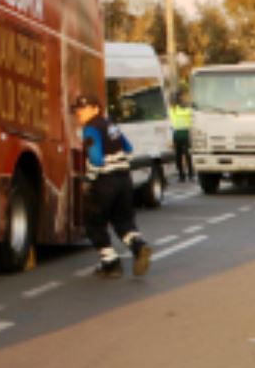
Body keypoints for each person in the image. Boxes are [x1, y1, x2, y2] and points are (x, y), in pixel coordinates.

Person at [73, 93, 152, 278]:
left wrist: (89, 180)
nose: (79, 113)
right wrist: (119, 162)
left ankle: (111, 264)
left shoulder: (90, 129)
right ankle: (139, 247)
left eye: (83, 108)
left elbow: (96, 159)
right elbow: (129, 149)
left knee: (94, 224)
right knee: (124, 221)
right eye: (77, 109)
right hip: (124, 180)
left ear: (95, 108)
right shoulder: (111, 125)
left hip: (105, 182)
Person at [169, 92, 194, 182]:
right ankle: (190, 174)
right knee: (187, 155)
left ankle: (182, 175)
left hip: (178, 134)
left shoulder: (172, 111)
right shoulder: (186, 111)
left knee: (179, 156)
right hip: (184, 133)